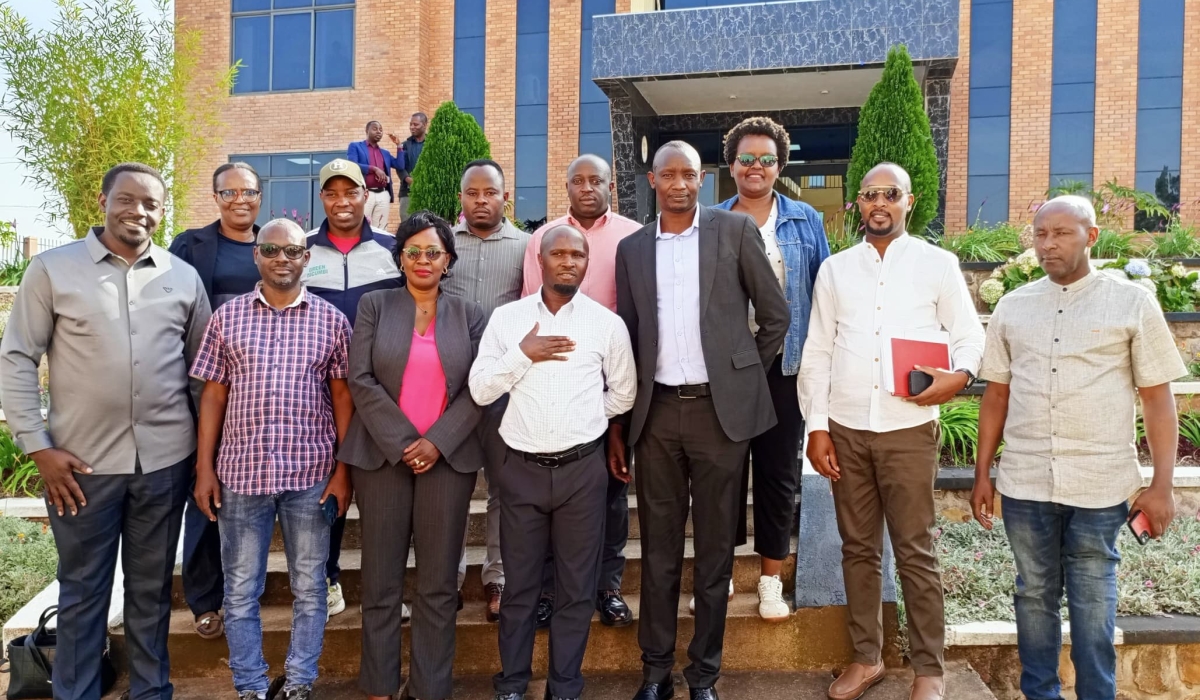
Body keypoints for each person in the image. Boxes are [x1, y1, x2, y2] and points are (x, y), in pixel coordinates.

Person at [0, 162, 212, 700]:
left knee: (150, 593)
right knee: (83, 593)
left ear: (162, 213)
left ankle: (150, 692)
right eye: (128, 199)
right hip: (79, 468)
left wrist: (204, 459)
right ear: (103, 200)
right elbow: (18, 358)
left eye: (151, 204)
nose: (138, 211)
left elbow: (202, 374)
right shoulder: (52, 270)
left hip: (165, 465)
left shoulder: (182, 277)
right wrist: (37, 446)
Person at [970, 195, 1185, 700]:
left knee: (1093, 604)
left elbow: (1157, 398)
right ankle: (1039, 694)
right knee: (1033, 595)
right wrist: (983, 474)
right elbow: (996, 395)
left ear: (1091, 237)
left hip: (1100, 483)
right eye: (1041, 234)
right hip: (1025, 482)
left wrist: (1161, 485)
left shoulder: (1131, 302)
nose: (1048, 244)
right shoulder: (1012, 306)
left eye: (1062, 233)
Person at [799, 162, 985, 700]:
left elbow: (970, 337)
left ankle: (930, 669)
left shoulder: (937, 265)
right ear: (858, 202)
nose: (879, 203)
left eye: (891, 194)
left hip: (908, 429)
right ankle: (867, 658)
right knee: (857, 549)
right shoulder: (835, 270)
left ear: (910, 200)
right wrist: (817, 427)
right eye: (870, 194)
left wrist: (959, 376)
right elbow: (817, 352)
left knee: (915, 550)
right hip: (847, 427)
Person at [614, 141, 788, 700]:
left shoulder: (733, 232)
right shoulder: (633, 248)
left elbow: (775, 317)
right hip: (658, 413)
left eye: (690, 174)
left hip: (720, 416)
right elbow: (631, 328)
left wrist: (737, 376)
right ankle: (655, 673)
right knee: (659, 554)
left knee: (714, 555)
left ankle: (704, 676)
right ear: (653, 180)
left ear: (702, 178)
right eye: (670, 175)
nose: (681, 184)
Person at [470, 225, 637, 700]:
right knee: (520, 589)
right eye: (558, 253)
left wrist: (582, 418)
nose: (568, 261)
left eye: (578, 254)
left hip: (582, 472)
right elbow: (482, 389)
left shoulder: (607, 324)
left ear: (587, 263)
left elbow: (623, 393)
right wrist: (523, 354)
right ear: (538, 260)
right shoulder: (507, 320)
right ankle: (512, 685)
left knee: (577, 589)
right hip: (520, 470)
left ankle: (565, 687)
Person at [191, 218, 354, 700]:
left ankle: (300, 681)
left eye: (293, 251)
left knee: (310, 588)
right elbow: (213, 396)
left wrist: (344, 473)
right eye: (272, 250)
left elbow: (343, 399)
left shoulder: (331, 320)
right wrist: (205, 469)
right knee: (240, 591)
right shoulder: (227, 318)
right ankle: (251, 686)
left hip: (311, 476)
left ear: (307, 258)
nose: (282, 258)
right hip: (241, 475)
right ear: (256, 256)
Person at [338, 211, 486, 700]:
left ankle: (429, 687)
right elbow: (360, 378)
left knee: (438, 584)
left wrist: (436, 442)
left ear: (449, 260)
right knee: (380, 580)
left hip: (448, 460)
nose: (424, 260)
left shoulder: (470, 315)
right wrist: (405, 443)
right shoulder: (374, 306)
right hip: (382, 460)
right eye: (414, 251)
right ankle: (380, 685)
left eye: (434, 252)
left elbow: (478, 390)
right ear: (400, 258)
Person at [713, 116, 830, 621]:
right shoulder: (710, 221)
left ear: (779, 166)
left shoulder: (806, 219)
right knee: (720, 477)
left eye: (766, 159)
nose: (755, 167)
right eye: (746, 159)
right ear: (731, 165)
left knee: (779, 477)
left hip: (787, 367)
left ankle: (769, 582)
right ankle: (716, 581)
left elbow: (823, 294)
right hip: (725, 369)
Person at [520, 154, 641, 627]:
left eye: (597, 180)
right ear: (566, 186)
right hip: (555, 376)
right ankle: (550, 591)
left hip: (614, 374)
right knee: (553, 489)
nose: (588, 188)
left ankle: (607, 586)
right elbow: (535, 307)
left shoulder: (632, 236)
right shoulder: (542, 238)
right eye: (578, 181)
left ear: (612, 185)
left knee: (612, 489)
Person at [304, 157, 404, 617]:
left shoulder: (391, 249)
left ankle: (390, 586)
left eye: (351, 192)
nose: (342, 201)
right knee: (331, 486)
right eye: (332, 193)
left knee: (388, 497)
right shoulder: (302, 251)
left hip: (383, 389)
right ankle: (326, 577)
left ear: (367, 196)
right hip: (319, 393)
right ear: (322, 198)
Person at [170, 161, 264, 641]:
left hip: (264, 391)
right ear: (216, 198)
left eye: (248, 192)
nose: (240, 200)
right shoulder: (191, 246)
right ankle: (205, 597)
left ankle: (245, 590)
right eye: (229, 194)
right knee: (205, 488)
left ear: (259, 197)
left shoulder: (278, 243)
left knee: (254, 491)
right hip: (206, 384)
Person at [442, 158, 531, 622]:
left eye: (490, 193)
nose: (481, 200)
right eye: (472, 192)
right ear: (461, 197)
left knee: (503, 488)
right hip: (450, 389)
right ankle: (448, 579)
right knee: (453, 487)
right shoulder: (442, 246)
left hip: (504, 389)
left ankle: (497, 578)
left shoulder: (526, 247)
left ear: (504, 197)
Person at [347, 121, 404, 231]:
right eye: (375, 128)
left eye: (381, 130)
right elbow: (352, 165)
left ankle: (379, 247)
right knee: (362, 226)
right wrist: (373, 169)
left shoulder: (385, 153)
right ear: (367, 131)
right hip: (365, 193)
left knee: (381, 228)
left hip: (383, 193)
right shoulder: (356, 146)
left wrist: (399, 146)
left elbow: (400, 165)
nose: (379, 131)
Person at [392, 112, 428, 222]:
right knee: (407, 222)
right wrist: (407, 179)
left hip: (427, 190)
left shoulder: (433, 144)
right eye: (411, 124)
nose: (412, 127)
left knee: (427, 222)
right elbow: (400, 166)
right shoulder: (404, 145)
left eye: (416, 124)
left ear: (425, 125)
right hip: (407, 192)